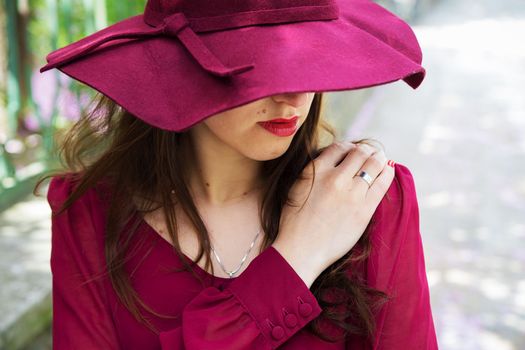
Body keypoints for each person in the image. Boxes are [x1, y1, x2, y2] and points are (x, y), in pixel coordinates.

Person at [36, 0, 438, 348]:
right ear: (180, 64)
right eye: (262, 64)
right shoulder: (86, 213)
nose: (295, 95)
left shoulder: (369, 198)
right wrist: (298, 258)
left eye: (309, 60)